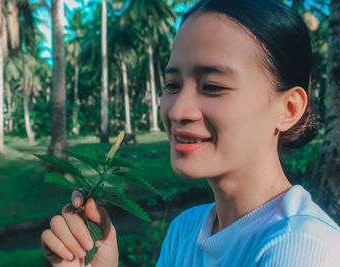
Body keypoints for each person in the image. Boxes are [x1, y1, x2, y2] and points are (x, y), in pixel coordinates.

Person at [40, 0, 340, 266]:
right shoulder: (186, 229)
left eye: (213, 87)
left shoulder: (300, 248)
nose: (177, 110)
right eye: (172, 85)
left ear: (288, 108)